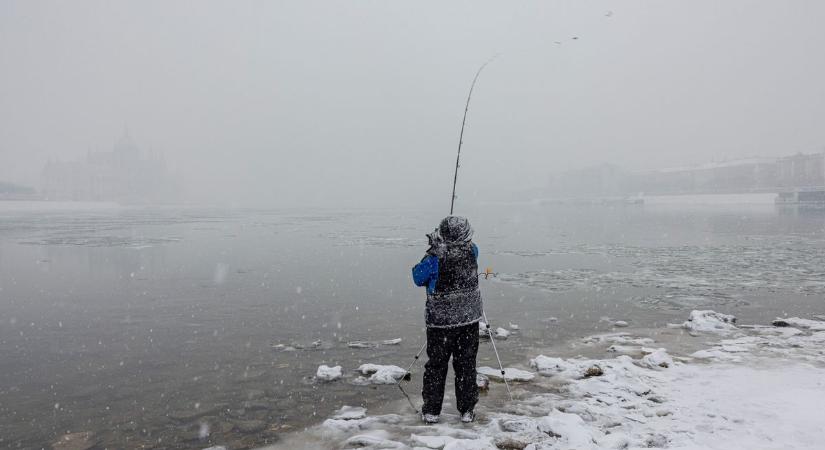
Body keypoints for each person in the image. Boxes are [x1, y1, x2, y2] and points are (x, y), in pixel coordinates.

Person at [411, 215, 482, 424]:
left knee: (436, 366)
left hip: (440, 323)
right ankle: (467, 410)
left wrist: (433, 251)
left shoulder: (434, 258)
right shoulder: (473, 250)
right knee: (466, 365)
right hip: (469, 319)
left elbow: (417, 278)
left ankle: (432, 411)